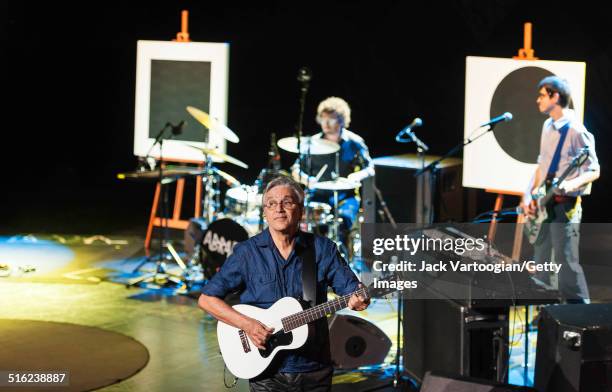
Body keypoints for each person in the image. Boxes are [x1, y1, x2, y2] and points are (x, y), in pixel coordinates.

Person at [198, 176, 370, 391]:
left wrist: (359, 297)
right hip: (265, 370)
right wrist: (247, 325)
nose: (278, 209)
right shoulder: (247, 253)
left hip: (313, 368)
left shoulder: (322, 249)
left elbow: (352, 290)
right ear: (264, 212)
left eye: (287, 202)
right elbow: (207, 299)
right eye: (271, 203)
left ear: (301, 210)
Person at [522, 76, 600, 303]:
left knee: (566, 262)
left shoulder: (577, 131)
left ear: (556, 97)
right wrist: (528, 194)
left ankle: (580, 312)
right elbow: (542, 165)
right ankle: (546, 310)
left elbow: (593, 169)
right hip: (543, 202)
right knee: (542, 260)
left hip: (565, 204)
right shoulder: (547, 126)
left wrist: (571, 184)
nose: (538, 100)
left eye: (542, 95)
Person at [292, 97, 375, 246]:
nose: (326, 124)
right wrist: (306, 179)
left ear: (342, 120)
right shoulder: (312, 143)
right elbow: (296, 169)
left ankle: (340, 259)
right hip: (318, 195)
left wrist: (356, 175)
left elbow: (370, 168)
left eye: (331, 120)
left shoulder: (354, 142)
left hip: (345, 197)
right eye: (323, 119)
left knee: (341, 226)